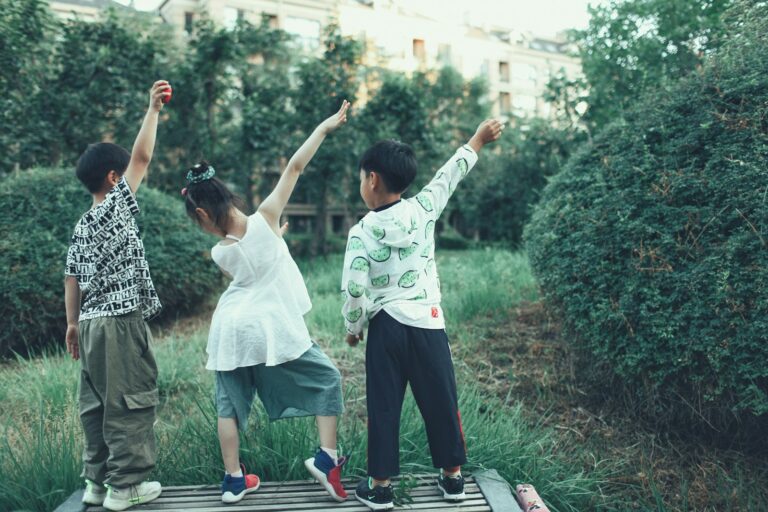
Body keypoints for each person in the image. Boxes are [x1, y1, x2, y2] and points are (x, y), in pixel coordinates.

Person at [182, 101, 352, 504]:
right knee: (327, 378)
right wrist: (324, 128)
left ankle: (233, 479)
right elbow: (294, 167)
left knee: (230, 406)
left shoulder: (219, 253)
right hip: (268, 325)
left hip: (229, 328)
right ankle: (327, 458)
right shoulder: (266, 216)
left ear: (204, 213)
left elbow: (247, 267)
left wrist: (276, 236)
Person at [341, 119, 505, 510]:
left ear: (373, 179)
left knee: (383, 406)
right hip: (429, 323)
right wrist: (478, 139)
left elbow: (354, 289)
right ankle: (452, 480)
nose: (361, 184)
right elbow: (452, 173)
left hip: (386, 328)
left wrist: (353, 328)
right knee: (441, 401)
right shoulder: (424, 207)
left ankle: (379, 486)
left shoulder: (361, 232)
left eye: (361, 178)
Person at [64, 80, 171, 511]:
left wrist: (71, 324)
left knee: (96, 405)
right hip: (119, 321)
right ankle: (126, 487)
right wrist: (153, 111)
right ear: (114, 177)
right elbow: (143, 156)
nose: (132, 177)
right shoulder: (116, 205)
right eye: (124, 173)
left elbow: (71, 277)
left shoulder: (82, 223)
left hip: (88, 324)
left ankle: (96, 482)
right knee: (129, 401)